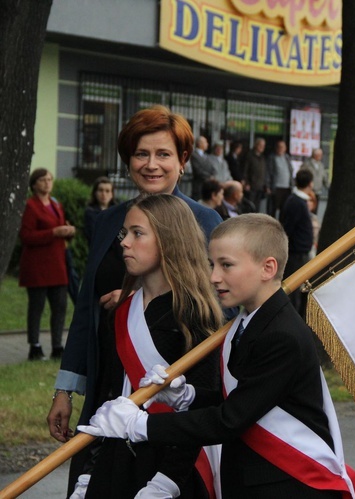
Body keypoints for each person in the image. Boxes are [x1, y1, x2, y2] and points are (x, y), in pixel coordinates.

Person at [79, 214, 355, 499]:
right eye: (213, 265)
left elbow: (230, 420)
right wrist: (188, 396)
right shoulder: (249, 321)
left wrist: (139, 425)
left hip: (287, 484)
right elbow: (242, 398)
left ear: (268, 268)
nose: (214, 276)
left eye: (226, 265)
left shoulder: (281, 334)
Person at [46, 105, 223, 495]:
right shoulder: (111, 221)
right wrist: (65, 389)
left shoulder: (205, 222)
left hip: (170, 404)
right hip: (110, 382)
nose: (152, 164)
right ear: (128, 161)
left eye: (164, 154)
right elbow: (87, 310)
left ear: (183, 161)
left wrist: (140, 300)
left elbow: (215, 315)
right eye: (141, 154)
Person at [70, 194, 222, 499]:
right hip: (116, 460)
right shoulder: (121, 311)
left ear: (169, 239)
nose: (125, 242)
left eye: (138, 233)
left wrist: (167, 481)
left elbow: (204, 404)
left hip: (172, 464)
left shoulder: (194, 314)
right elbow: (109, 396)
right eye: (124, 233)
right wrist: (88, 471)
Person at [19, 168, 76, 360]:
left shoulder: (55, 204)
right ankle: (34, 347)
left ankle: (57, 346)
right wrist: (53, 232)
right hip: (37, 266)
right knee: (37, 307)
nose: (47, 182)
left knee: (60, 306)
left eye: (50, 179)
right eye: (43, 180)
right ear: (34, 184)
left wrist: (67, 231)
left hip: (57, 264)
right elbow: (26, 236)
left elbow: (59, 228)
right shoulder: (30, 206)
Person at [282, 169, 315, 315]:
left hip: (299, 250)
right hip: (297, 253)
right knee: (295, 289)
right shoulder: (297, 202)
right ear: (310, 183)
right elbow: (289, 227)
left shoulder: (296, 200)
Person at [84, 176, 116, 243]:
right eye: (101, 190)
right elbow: (93, 235)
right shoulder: (90, 212)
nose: (104, 194)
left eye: (107, 191)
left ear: (112, 194)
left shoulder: (117, 212)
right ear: (95, 192)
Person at [266, 140, 294, 219]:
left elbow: (290, 171)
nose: (281, 149)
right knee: (273, 209)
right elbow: (268, 172)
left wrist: (292, 184)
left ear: (285, 148)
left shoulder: (287, 157)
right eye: (279, 147)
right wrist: (268, 186)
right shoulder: (272, 157)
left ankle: (281, 226)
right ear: (276, 148)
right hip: (276, 187)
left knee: (284, 209)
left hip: (287, 187)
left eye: (283, 147)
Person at [244, 137, 267, 213]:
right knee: (250, 206)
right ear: (256, 145)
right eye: (260, 145)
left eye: (263, 145)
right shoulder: (249, 156)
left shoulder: (262, 158)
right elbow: (245, 170)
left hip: (260, 186)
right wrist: (246, 182)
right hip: (251, 186)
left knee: (257, 207)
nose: (262, 147)